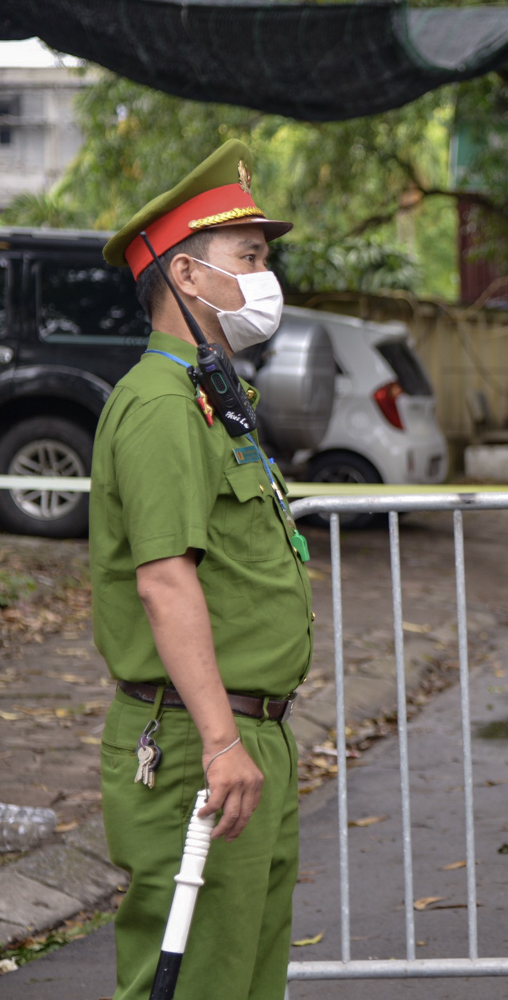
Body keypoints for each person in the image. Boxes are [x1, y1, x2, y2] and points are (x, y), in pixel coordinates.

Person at [92, 138, 310, 1000]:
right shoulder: (157, 406)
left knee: (245, 980)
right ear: (186, 275)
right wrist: (222, 740)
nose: (265, 277)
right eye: (249, 257)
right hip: (198, 739)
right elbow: (164, 579)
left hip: (249, 734)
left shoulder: (213, 400)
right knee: (194, 986)